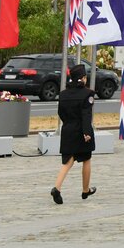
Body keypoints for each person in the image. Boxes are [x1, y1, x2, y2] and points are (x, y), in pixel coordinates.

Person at [50, 64, 97, 204]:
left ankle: (56, 188)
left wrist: (69, 124)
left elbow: (61, 113)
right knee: (86, 158)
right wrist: (87, 132)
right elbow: (86, 115)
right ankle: (85, 189)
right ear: (82, 78)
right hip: (82, 130)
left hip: (67, 129)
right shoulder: (88, 94)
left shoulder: (63, 94)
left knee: (67, 161)